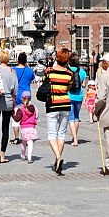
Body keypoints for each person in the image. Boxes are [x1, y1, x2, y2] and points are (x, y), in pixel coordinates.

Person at [44, 45, 74, 176]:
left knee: (52, 134)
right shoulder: (69, 74)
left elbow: (44, 85)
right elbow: (68, 89)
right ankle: (57, 161)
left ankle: (58, 157)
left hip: (52, 104)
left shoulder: (49, 71)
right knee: (62, 134)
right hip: (66, 104)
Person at [11, 52, 36, 144]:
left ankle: (17, 138)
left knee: (16, 116)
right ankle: (27, 135)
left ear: (17, 60)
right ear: (26, 61)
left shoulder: (13, 70)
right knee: (26, 116)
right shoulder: (30, 70)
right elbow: (32, 79)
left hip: (16, 95)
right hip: (27, 95)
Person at [12, 90, 38, 163]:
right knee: (30, 142)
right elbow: (36, 116)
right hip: (32, 127)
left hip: (24, 128)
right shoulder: (34, 108)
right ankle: (29, 157)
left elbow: (17, 119)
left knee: (24, 142)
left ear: (21, 99)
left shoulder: (21, 109)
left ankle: (23, 154)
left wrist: (13, 113)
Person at [68, 52, 87, 147]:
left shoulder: (67, 71)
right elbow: (84, 85)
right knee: (76, 117)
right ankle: (75, 137)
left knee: (71, 118)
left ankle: (75, 139)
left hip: (69, 96)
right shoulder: (82, 72)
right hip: (79, 96)